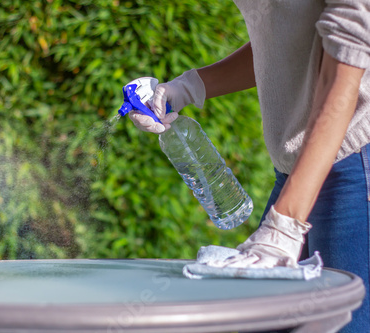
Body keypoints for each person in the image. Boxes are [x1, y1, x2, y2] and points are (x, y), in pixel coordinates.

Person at [129, 1, 370, 332]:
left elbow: (347, 59)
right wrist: (188, 87)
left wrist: (286, 221)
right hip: (295, 168)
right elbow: (287, 42)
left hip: (353, 163)